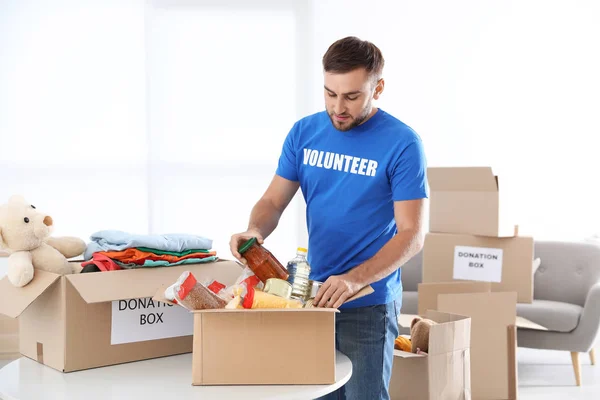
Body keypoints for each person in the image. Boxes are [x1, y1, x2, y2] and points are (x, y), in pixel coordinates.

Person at [230, 36, 428, 400]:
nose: (338, 107)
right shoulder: (304, 133)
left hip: (369, 304)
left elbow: (412, 233)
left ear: (378, 88)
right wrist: (254, 230)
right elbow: (273, 201)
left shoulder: (403, 143)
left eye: (351, 96)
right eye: (329, 93)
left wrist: (354, 280)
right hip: (311, 299)